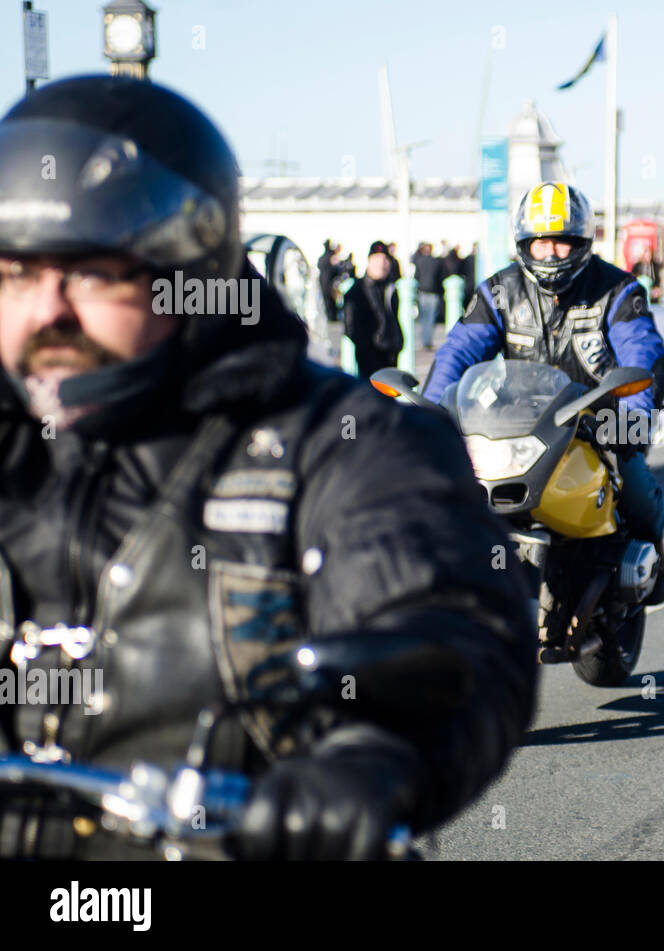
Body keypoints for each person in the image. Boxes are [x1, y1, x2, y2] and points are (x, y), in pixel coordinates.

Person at [0, 75, 537, 860]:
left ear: (190, 267)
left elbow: (450, 614)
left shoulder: (338, 441)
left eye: (92, 272)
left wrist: (368, 754)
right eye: (16, 272)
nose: (48, 309)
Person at [423, 182, 664, 604]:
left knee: (635, 485)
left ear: (581, 242)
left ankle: (653, 564)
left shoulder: (618, 290)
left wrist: (632, 415)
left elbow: (642, 354)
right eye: (541, 243)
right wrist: (427, 412)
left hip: (595, 420)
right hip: (517, 422)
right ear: (525, 244)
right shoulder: (499, 292)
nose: (551, 253)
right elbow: (457, 353)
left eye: (561, 241)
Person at [343, 241, 405, 379]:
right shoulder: (357, 290)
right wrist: (367, 348)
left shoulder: (391, 288)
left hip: (391, 355)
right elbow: (350, 326)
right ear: (369, 261)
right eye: (377, 259)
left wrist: (399, 341)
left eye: (385, 259)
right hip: (370, 359)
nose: (381, 264)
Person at [412, 241, 446, 350]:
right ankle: (428, 340)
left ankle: (424, 340)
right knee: (430, 318)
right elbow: (441, 277)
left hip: (422, 292)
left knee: (423, 318)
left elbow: (416, 276)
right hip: (433, 292)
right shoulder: (436, 262)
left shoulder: (419, 261)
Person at [317, 239, 340, 323]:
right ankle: (331, 316)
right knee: (329, 300)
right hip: (329, 282)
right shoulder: (330, 257)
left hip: (327, 282)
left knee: (329, 300)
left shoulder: (325, 257)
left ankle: (331, 316)